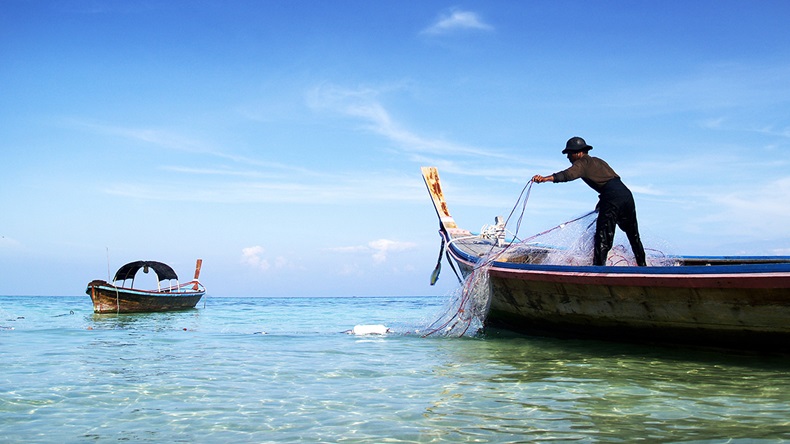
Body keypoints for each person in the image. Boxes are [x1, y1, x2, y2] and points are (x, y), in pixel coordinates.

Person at [532, 136, 647, 266]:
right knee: (633, 235)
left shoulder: (582, 163)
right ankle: (643, 265)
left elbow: (566, 175)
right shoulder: (598, 161)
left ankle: (598, 270)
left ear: (578, 153)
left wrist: (544, 179)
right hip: (626, 195)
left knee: (603, 236)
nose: (568, 157)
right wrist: (602, 201)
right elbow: (611, 182)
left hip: (612, 196)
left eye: (569, 153)